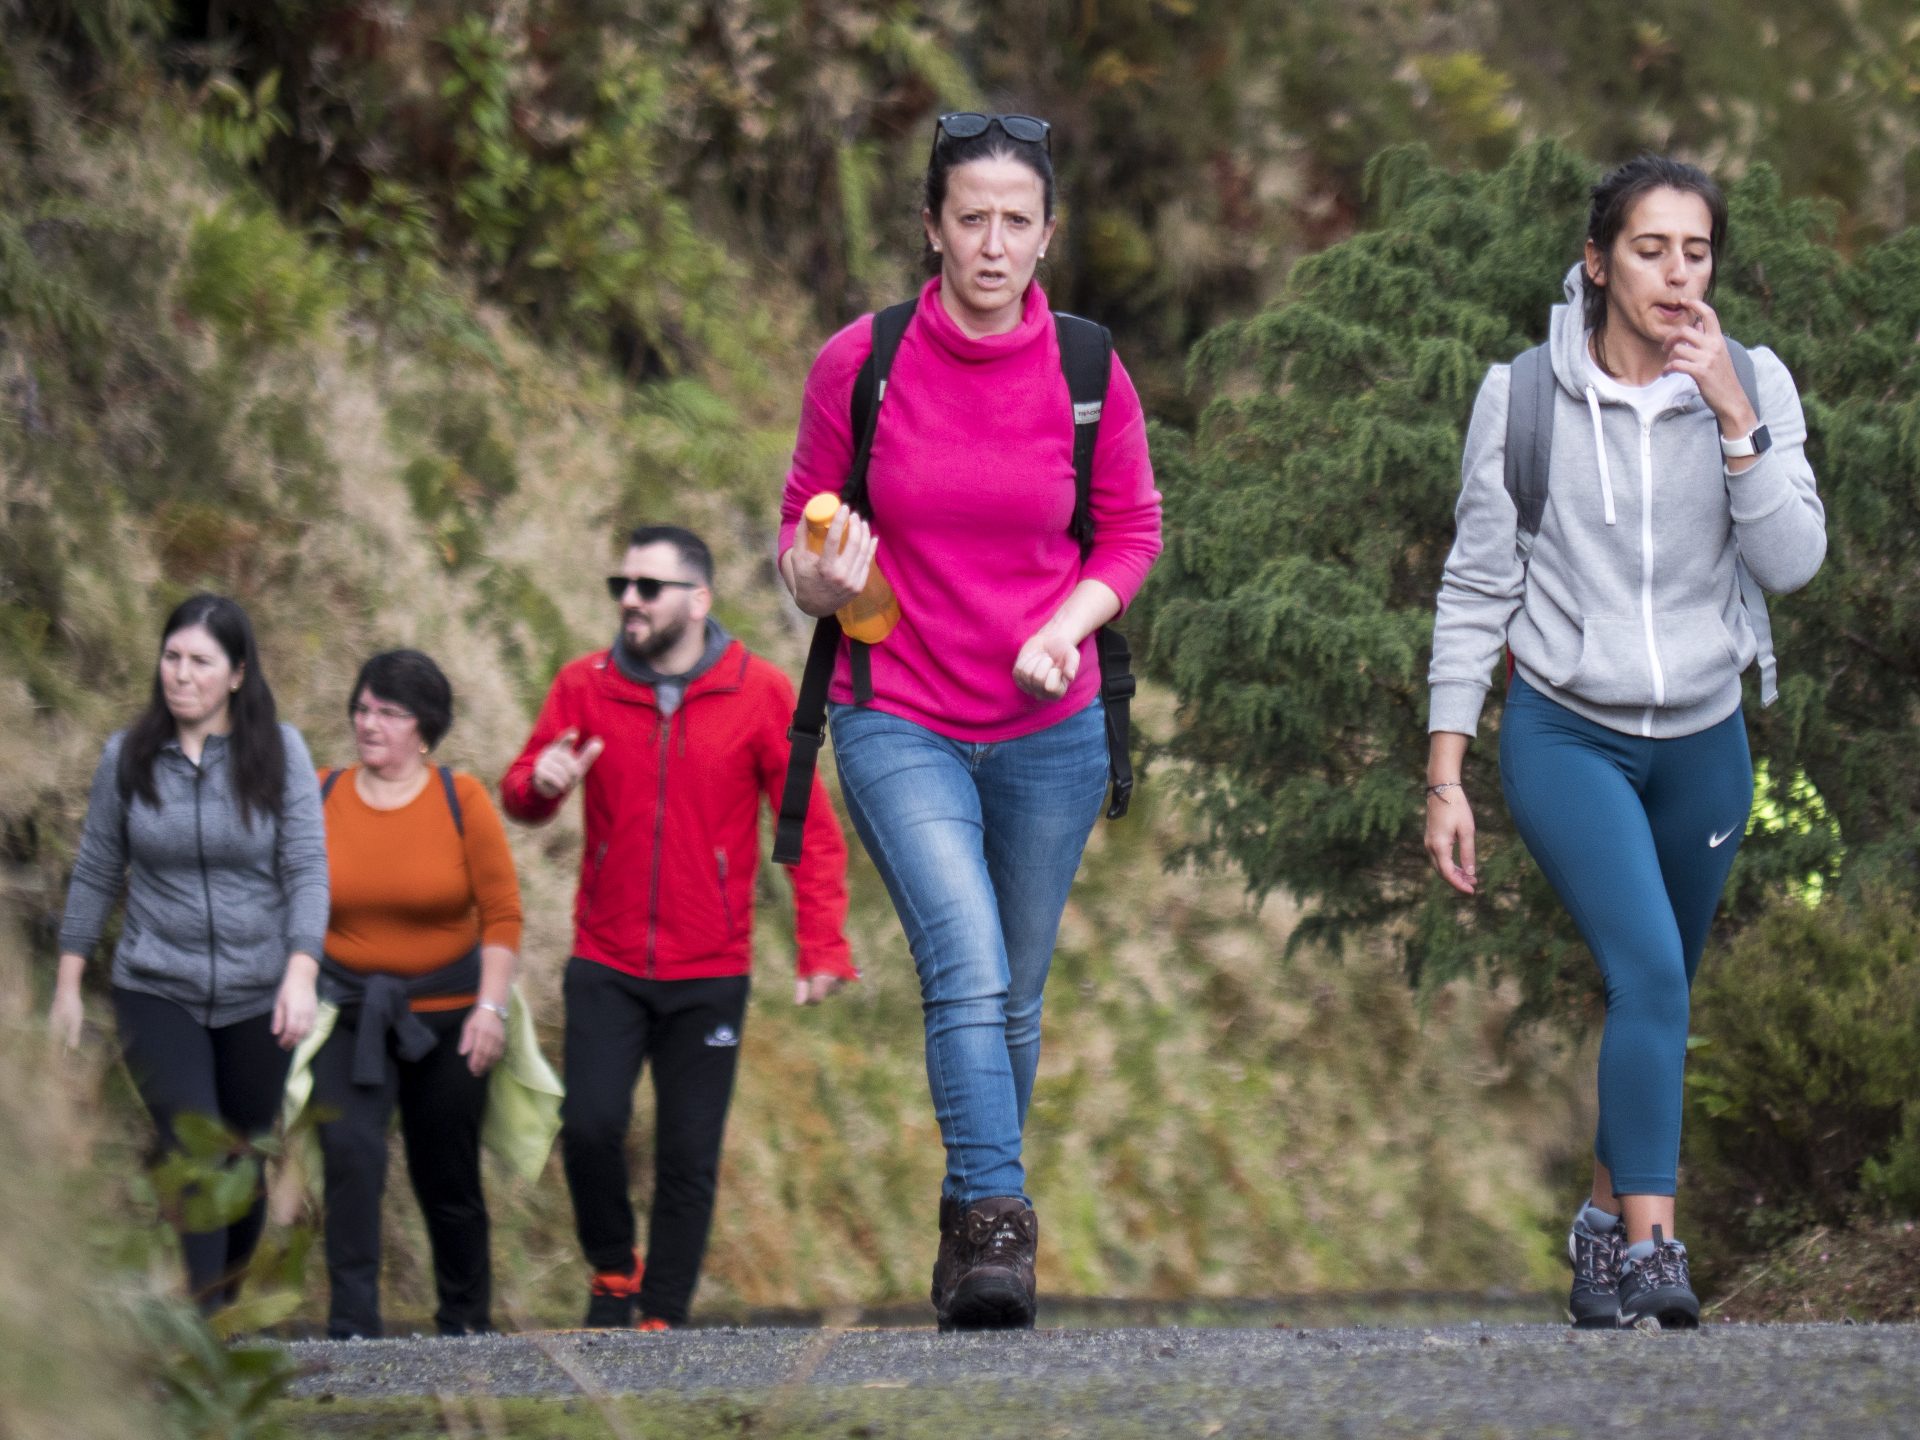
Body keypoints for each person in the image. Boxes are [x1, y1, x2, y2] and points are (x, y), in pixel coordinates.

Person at [1425, 156, 1826, 1329]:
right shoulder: (1524, 397)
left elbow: (1793, 563)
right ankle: (1654, 1248)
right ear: (1598, 263)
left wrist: (1738, 419)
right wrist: (1446, 771)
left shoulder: (1754, 381)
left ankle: (1601, 1228)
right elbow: (1476, 585)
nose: (1676, 275)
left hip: (1705, 740)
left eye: (1696, 253)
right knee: (1648, 973)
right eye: (1650, 250)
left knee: (1660, 991)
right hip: (1568, 733)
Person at [777, 111, 1162, 1330]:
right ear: (932, 229)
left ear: (1048, 235)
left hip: (1051, 728)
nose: (993, 244)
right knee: (968, 964)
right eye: (971, 219)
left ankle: (966, 1224)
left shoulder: (1090, 369)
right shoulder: (864, 363)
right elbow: (800, 531)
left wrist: (1067, 625)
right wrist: (818, 581)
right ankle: (1002, 1221)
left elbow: (1132, 533)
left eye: (1016, 221)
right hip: (896, 710)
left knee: (1016, 1000)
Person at [501, 525, 857, 1330]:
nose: (629, 600)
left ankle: (661, 1318)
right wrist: (539, 783)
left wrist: (822, 944)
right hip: (606, 957)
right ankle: (612, 1268)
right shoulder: (584, 685)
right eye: (621, 585)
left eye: (648, 587)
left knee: (688, 1156)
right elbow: (522, 792)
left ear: (699, 600)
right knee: (588, 1127)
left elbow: (805, 825)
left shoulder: (760, 692)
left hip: (710, 969)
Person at [52, 593, 329, 1309]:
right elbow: (97, 869)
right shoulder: (129, 757)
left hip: (259, 990)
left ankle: (223, 1311)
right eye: (171, 657)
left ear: (237, 674)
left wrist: (301, 972)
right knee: (194, 1147)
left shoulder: (281, 753)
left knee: (243, 1156)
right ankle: (203, 1334)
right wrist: (68, 984)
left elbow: (307, 868)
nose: (181, 674)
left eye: (201, 662)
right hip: (156, 985)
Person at [310, 650, 523, 1339]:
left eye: (388, 712)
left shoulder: (463, 801)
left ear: (424, 727)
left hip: (450, 1017)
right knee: (350, 1153)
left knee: (447, 1173)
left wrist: (490, 1010)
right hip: (350, 1014)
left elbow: (502, 914)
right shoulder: (319, 794)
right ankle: (353, 1327)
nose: (368, 723)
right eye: (361, 708)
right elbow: (290, 900)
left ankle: (465, 1325)